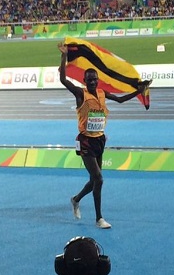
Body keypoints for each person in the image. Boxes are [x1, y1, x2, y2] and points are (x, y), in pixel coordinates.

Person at [58, 42, 151, 229]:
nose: (92, 82)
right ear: (85, 81)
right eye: (89, 80)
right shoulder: (80, 94)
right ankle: (99, 218)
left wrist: (137, 91)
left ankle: (75, 199)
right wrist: (63, 56)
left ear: (97, 80)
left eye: (95, 79)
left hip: (100, 139)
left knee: (94, 181)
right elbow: (63, 80)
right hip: (85, 141)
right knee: (99, 179)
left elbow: (120, 100)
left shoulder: (102, 93)